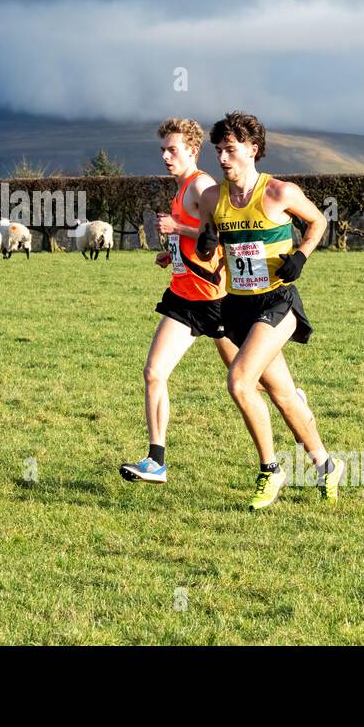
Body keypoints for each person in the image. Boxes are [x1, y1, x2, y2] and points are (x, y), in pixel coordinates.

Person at [195, 111, 344, 510]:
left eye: (230, 150)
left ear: (252, 150)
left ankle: (269, 469)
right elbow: (212, 241)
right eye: (219, 151)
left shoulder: (280, 193)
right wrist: (208, 243)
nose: (222, 159)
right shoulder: (213, 198)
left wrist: (302, 254)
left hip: (278, 301)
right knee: (281, 394)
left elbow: (317, 222)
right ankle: (327, 466)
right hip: (238, 306)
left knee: (240, 382)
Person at [120, 119, 231, 484]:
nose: (166, 156)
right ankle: (156, 461)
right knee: (153, 372)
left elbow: (219, 235)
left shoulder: (202, 184)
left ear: (193, 151)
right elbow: (194, 241)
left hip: (216, 299)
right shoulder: (182, 187)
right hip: (183, 297)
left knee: (248, 380)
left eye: (173, 149)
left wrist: (177, 229)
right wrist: (174, 253)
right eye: (163, 150)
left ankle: (291, 396)